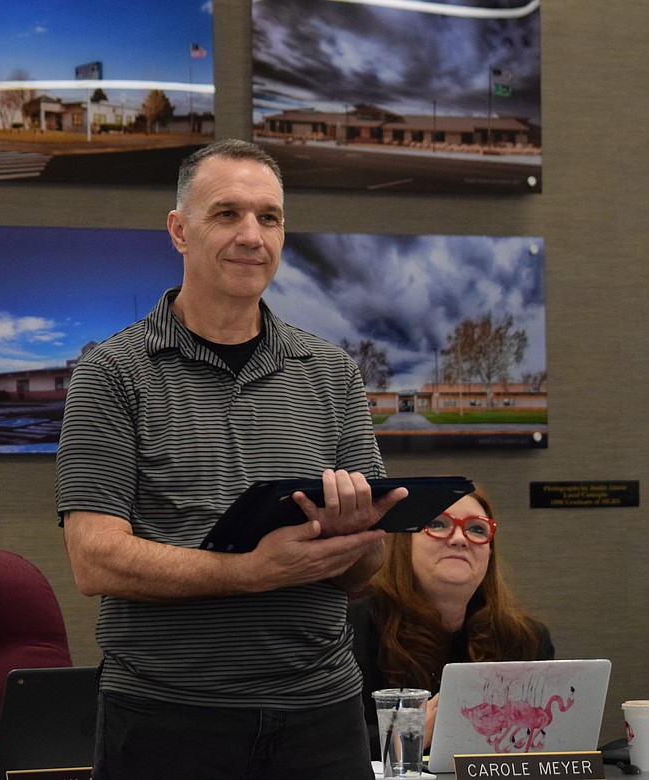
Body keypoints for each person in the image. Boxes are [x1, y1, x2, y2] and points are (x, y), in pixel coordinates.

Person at [54, 138, 407, 780]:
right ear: (179, 230)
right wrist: (251, 572)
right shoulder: (111, 373)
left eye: (268, 217)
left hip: (322, 713)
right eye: (227, 214)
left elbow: (370, 568)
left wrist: (354, 536)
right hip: (167, 718)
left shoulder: (330, 371)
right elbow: (93, 558)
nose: (252, 234)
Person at [348, 487, 554, 756]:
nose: (459, 539)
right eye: (437, 524)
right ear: (404, 543)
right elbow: (324, 743)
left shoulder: (525, 639)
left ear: (489, 555)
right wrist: (407, 734)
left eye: (477, 530)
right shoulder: (353, 629)